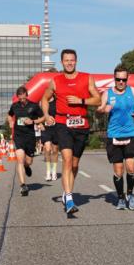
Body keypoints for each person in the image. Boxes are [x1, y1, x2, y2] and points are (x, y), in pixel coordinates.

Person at [41, 49, 101, 217]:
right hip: (62, 123)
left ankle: (67, 192)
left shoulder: (86, 78)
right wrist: (46, 115)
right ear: (61, 62)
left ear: (76, 61)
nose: (69, 63)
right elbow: (44, 99)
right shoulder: (55, 81)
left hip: (81, 124)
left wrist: (81, 101)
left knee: (74, 164)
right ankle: (68, 198)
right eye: (66, 60)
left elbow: (97, 99)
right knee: (67, 160)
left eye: (72, 60)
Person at [97, 66, 134, 210]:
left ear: (127, 79)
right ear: (114, 79)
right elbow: (98, 111)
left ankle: (130, 194)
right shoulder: (107, 93)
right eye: (118, 79)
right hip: (114, 135)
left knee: (131, 167)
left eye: (124, 79)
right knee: (118, 171)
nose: (121, 82)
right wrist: (103, 110)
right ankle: (121, 197)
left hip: (130, 133)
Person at [8, 86, 46, 197]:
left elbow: (43, 117)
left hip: (30, 136)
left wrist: (33, 121)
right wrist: (10, 121)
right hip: (18, 135)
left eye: (23, 98)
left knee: (28, 161)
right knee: (19, 159)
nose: (22, 100)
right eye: (20, 99)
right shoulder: (14, 106)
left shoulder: (34, 106)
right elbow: (10, 115)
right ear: (18, 97)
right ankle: (23, 185)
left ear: (26, 95)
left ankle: (27, 166)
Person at [41, 99, 59, 181]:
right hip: (46, 129)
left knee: (55, 150)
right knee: (47, 149)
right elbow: (37, 114)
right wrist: (39, 124)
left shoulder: (57, 102)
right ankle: (48, 172)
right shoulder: (42, 101)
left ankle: (54, 171)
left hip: (56, 129)